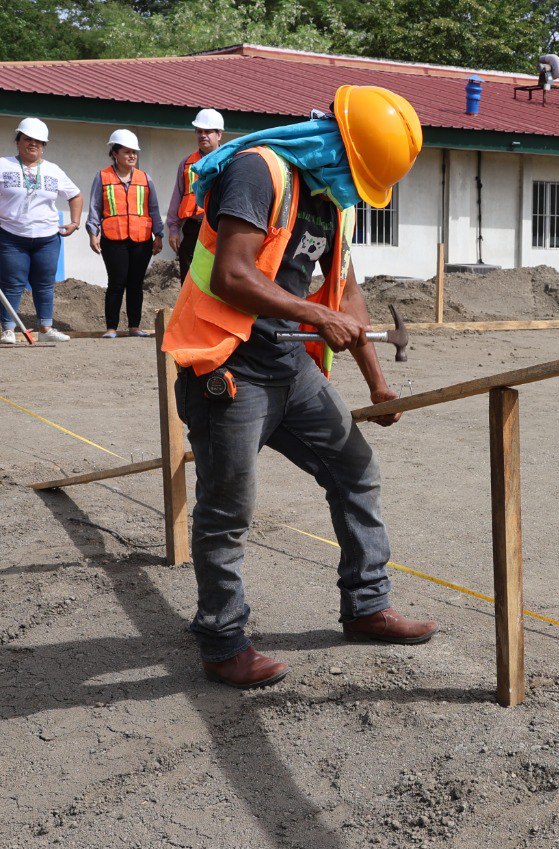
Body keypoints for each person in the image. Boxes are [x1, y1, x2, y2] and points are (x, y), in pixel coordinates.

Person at [162, 85, 433, 690]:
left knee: (355, 471)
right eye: (358, 174)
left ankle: (366, 606)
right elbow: (233, 274)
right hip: (228, 366)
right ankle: (222, 639)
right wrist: (316, 318)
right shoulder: (259, 172)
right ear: (335, 143)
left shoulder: (332, 201)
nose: (355, 187)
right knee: (227, 510)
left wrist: (379, 384)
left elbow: (346, 296)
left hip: (291, 369)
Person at [0, 118, 81, 345]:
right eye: (27, 139)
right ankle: (8, 330)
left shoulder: (53, 170)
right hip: (11, 236)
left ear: (44, 145)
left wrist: (75, 223)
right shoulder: (3, 165)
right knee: (12, 283)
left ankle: (46, 327)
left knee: (44, 283)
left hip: (47, 238)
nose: (32, 144)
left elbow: (75, 195)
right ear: (18, 141)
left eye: (38, 141)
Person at [86, 129, 163, 337]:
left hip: (141, 239)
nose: (132, 156)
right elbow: (95, 206)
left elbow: (153, 208)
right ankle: (111, 327)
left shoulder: (145, 178)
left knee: (136, 283)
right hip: (113, 239)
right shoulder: (102, 177)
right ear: (114, 153)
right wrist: (93, 233)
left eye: (134, 153)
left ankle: (134, 327)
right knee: (117, 282)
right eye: (127, 152)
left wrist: (159, 235)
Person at [166, 109, 223, 284]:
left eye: (208, 132)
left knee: (216, 272)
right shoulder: (186, 163)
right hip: (192, 226)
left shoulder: (229, 160)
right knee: (188, 269)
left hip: (218, 226)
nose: (203, 135)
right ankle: (188, 309)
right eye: (199, 131)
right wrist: (173, 230)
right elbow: (178, 195)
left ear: (219, 134)